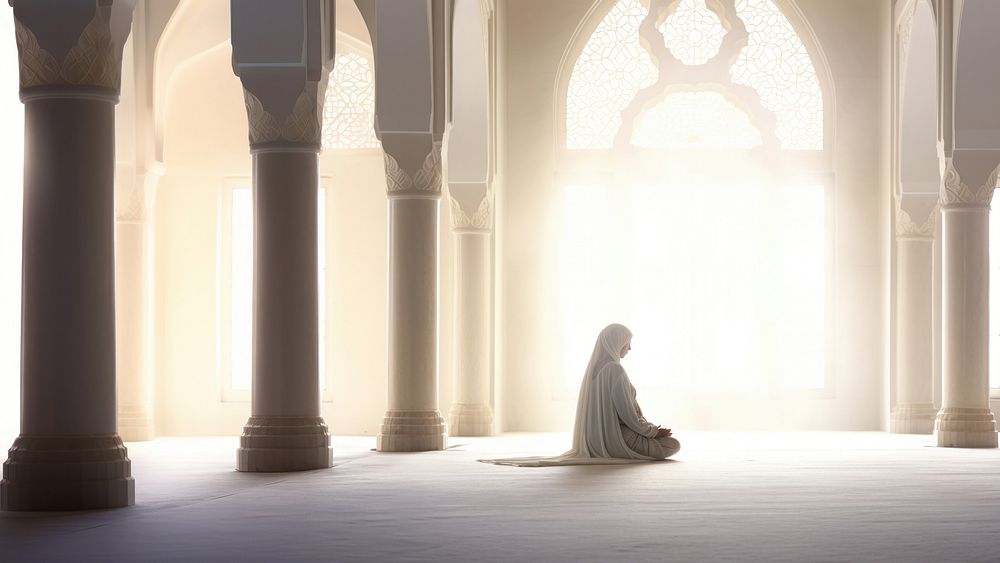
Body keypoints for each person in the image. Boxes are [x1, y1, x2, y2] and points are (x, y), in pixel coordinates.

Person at [481, 323, 680, 466]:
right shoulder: (615, 371)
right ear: (616, 342)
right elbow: (627, 416)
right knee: (673, 444)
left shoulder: (596, 371)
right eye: (627, 343)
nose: (630, 348)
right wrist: (653, 432)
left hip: (599, 438)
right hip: (619, 437)